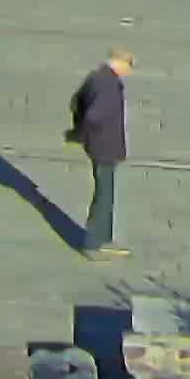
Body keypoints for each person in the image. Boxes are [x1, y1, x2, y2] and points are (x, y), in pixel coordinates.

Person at [64, 50, 131, 257]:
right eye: (129, 65)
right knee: (103, 195)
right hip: (105, 147)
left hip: (98, 145)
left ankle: (104, 238)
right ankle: (93, 243)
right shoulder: (109, 86)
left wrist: (78, 128)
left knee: (106, 193)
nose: (129, 71)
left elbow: (76, 101)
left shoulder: (96, 77)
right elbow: (94, 116)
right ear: (119, 63)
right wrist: (80, 133)